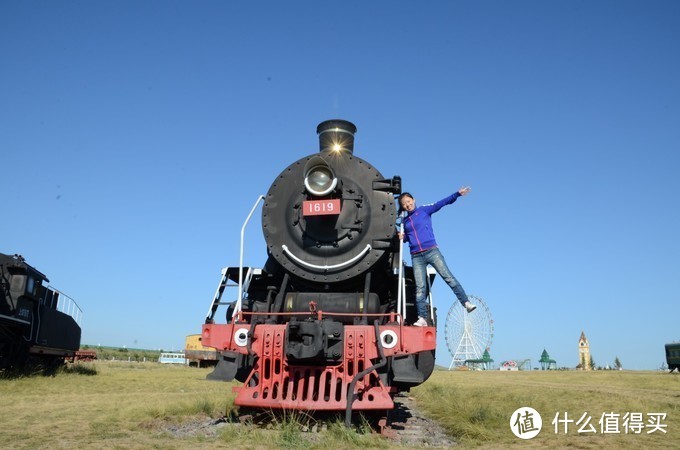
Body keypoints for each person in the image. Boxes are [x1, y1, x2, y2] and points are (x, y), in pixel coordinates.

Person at [398, 187, 476, 327]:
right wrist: (402, 237)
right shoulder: (405, 222)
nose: (407, 205)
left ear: (413, 200)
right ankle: (422, 318)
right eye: (404, 204)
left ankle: (466, 302)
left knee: (448, 277)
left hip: (432, 251)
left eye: (409, 202)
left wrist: (457, 194)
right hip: (416, 256)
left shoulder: (424, 210)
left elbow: (442, 203)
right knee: (420, 287)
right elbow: (407, 238)